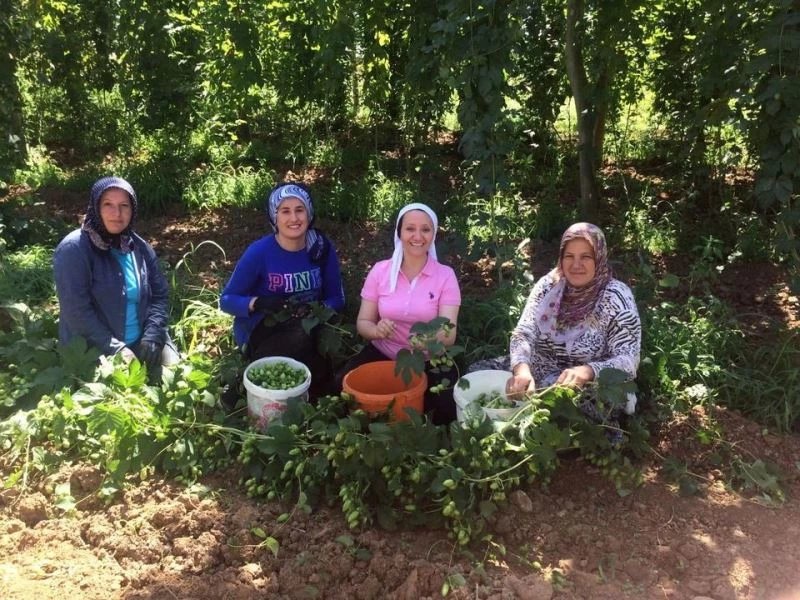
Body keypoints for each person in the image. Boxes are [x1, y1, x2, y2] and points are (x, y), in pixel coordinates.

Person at [470, 222, 641, 441]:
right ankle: (536, 424)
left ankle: (591, 432)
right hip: (540, 368)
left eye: (586, 256)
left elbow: (629, 359)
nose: (576, 264)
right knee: (476, 374)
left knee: (578, 402)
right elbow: (524, 332)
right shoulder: (548, 286)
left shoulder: (616, 297)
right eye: (569, 256)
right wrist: (521, 370)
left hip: (592, 383)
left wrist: (588, 371)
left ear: (599, 257)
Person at [220, 181, 345, 400]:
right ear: (274, 217)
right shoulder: (260, 252)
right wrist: (258, 303)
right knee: (299, 339)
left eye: (300, 210)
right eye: (285, 211)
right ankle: (243, 384)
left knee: (321, 378)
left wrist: (318, 310)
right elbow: (227, 300)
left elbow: (337, 298)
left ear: (309, 213)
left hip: (309, 325)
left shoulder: (321, 248)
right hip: (261, 329)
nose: (294, 218)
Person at [339, 203, 461, 425]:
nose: (417, 236)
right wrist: (376, 331)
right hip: (384, 352)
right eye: (410, 229)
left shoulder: (445, 276)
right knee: (341, 387)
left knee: (446, 409)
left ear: (433, 234)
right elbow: (363, 322)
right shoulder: (380, 271)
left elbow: (449, 334)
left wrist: (426, 340)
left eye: (425, 229)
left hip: (429, 359)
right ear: (399, 232)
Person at [53, 176, 179, 380]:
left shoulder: (139, 247)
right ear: (95, 207)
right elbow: (77, 312)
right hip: (95, 346)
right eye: (108, 204)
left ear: (133, 210)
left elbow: (159, 295)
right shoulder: (74, 249)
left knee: (179, 380)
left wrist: (153, 333)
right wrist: (116, 349)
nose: (117, 214)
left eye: (124, 206)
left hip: (141, 340)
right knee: (122, 401)